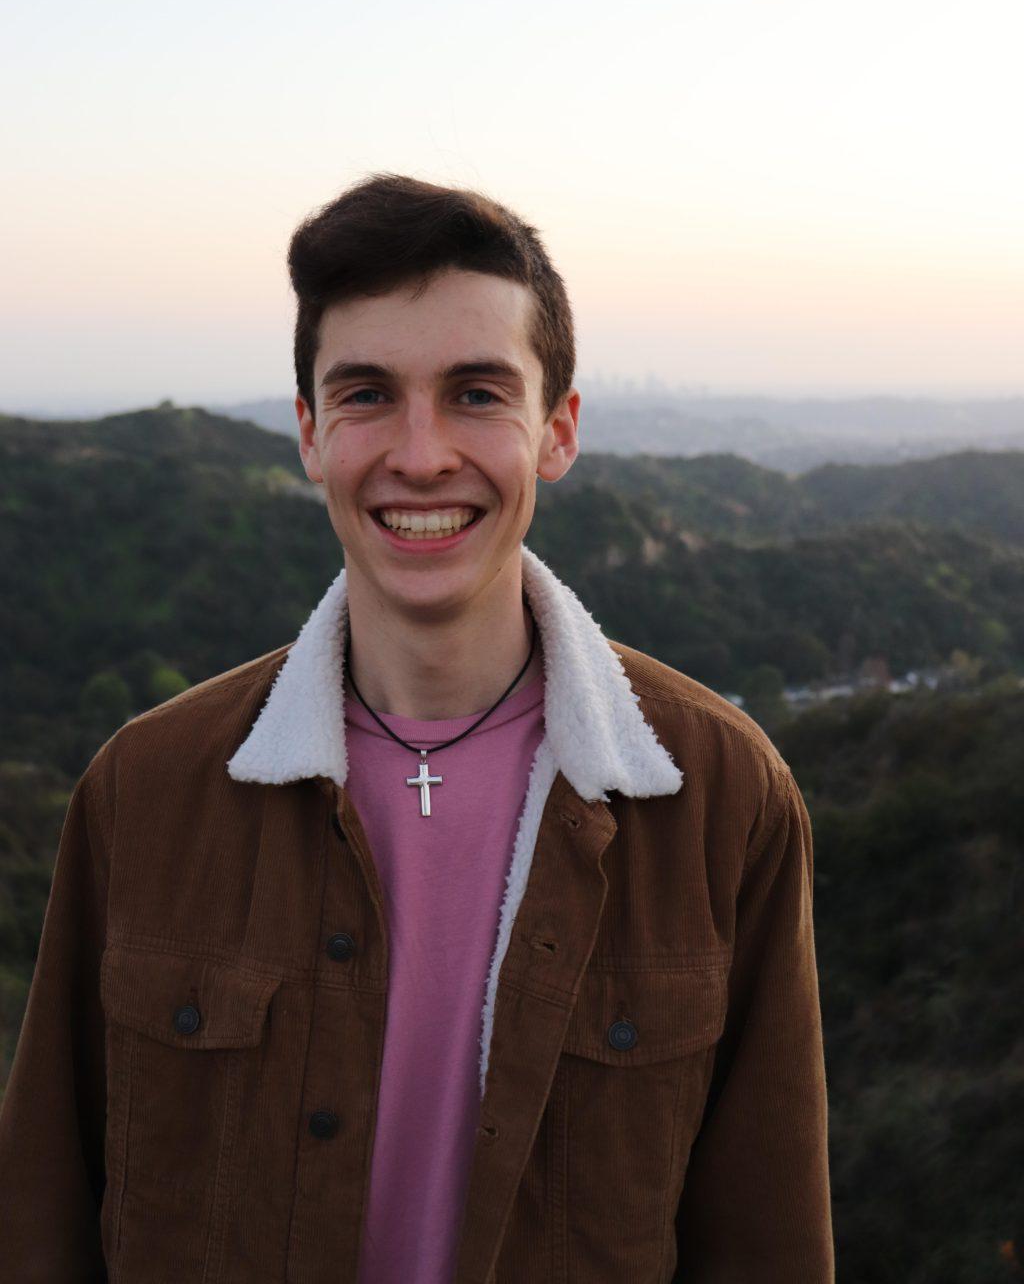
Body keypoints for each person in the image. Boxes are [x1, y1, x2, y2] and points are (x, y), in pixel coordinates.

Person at [0, 173, 834, 1282]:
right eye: (367, 395)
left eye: (478, 393)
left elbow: (766, 1244)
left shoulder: (721, 800)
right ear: (307, 433)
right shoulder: (145, 793)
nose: (423, 452)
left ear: (558, 431)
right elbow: (44, 1219)